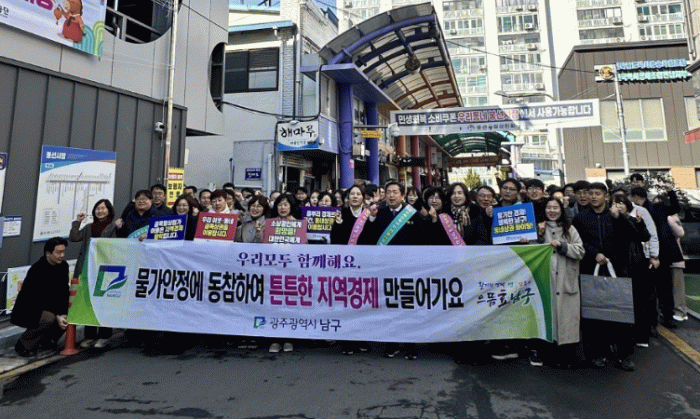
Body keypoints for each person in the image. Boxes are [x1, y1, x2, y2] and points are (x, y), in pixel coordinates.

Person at [572, 182, 646, 371]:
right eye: (591, 193)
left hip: (617, 270)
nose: (593, 197)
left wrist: (619, 218)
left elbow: (635, 236)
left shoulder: (616, 215)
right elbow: (578, 241)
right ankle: (598, 353)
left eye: (597, 193)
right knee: (594, 313)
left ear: (606, 196)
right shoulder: (580, 217)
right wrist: (594, 253)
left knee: (620, 313)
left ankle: (624, 355)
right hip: (592, 269)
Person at [358, 181, 424, 359]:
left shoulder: (413, 214)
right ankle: (391, 343)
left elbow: (421, 240)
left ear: (403, 195)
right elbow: (367, 239)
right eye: (388, 192)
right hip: (385, 268)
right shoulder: (378, 212)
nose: (392, 195)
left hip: (408, 268)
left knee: (408, 306)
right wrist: (371, 219)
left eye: (395, 192)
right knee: (389, 306)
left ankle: (410, 344)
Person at [536, 197, 585, 368]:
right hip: (546, 280)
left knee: (567, 321)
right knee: (548, 319)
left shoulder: (569, 228)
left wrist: (563, 246)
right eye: (549, 207)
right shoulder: (539, 228)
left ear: (561, 210)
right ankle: (549, 356)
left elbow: (580, 250)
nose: (552, 211)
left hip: (566, 280)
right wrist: (540, 235)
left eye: (555, 207)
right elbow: (532, 251)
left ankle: (568, 357)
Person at [629, 185, 682, 329]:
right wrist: (670, 192)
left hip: (659, 253)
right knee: (656, 288)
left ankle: (665, 316)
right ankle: (659, 319)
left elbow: (675, 208)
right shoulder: (637, 210)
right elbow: (676, 208)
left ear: (634, 197)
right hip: (645, 254)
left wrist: (671, 193)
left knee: (662, 287)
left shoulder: (656, 207)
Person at [70, 199, 118, 349]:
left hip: (104, 269)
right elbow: (74, 237)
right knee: (88, 303)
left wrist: (117, 227)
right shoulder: (89, 227)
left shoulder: (114, 226)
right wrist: (77, 222)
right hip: (87, 269)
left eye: (103, 208)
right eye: (98, 208)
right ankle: (90, 336)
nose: (100, 211)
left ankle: (104, 336)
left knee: (104, 303)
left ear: (109, 210)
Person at [11, 237, 70, 357]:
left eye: (63, 251)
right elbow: (39, 298)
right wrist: (57, 315)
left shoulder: (63, 266)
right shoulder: (37, 269)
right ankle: (23, 345)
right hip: (30, 308)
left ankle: (46, 341)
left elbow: (64, 291)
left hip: (51, 307)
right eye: (58, 252)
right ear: (48, 253)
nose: (62, 255)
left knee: (69, 316)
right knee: (49, 318)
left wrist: (63, 313)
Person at [668, 213, 688, 322]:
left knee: (677, 287)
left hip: (676, 259)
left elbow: (680, 232)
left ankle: (681, 311)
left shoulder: (673, 218)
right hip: (667, 258)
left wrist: (669, 220)